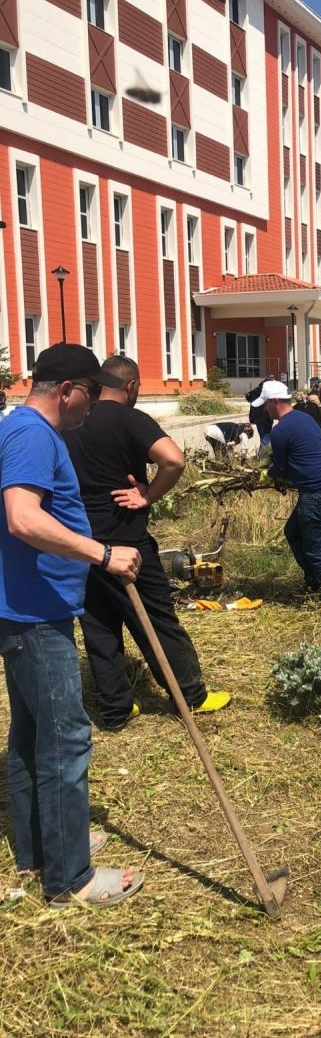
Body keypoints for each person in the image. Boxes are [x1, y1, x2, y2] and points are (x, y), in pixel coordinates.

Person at [0, 343, 144, 907]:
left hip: (29, 607)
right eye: (91, 392)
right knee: (65, 737)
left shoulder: (19, 428)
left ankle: (44, 845)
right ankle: (70, 878)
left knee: (33, 737)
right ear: (69, 391)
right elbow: (22, 517)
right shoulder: (34, 434)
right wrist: (102, 554)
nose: (93, 405)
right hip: (36, 614)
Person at [65, 355, 231, 731]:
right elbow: (172, 460)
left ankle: (116, 708)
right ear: (132, 386)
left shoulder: (72, 422)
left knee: (98, 625)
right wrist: (147, 496)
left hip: (80, 541)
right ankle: (190, 695)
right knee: (157, 619)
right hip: (126, 541)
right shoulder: (129, 419)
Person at [263, 381, 321, 602]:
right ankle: (313, 580)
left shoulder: (280, 430)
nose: (265, 410)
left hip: (317, 491)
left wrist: (268, 474)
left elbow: (279, 469)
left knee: (314, 546)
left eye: (265, 405)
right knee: (293, 532)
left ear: (273, 402)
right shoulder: (304, 417)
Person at [246, 378, 275, 455]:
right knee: (266, 437)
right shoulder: (268, 390)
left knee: (263, 436)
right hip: (266, 416)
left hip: (256, 417)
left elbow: (247, 396)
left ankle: (261, 456)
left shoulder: (256, 390)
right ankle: (262, 457)